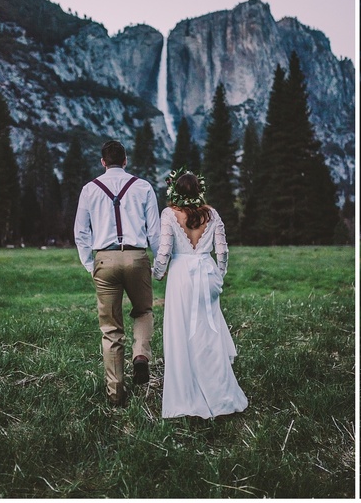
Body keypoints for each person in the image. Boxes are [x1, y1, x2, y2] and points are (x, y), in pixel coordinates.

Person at [152, 167, 248, 419]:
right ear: (199, 191)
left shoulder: (169, 214)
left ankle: (187, 394)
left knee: (181, 332)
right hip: (206, 273)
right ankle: (220, 392)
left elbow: (164, 251)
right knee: (209, 332)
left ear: (174, 192)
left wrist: (157, 273)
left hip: (181, 276)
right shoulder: (212, 214)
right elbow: (223, 250)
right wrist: (219, 273)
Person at [74, 140, 161, 406]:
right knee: (143, 310)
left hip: (104, 259)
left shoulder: (89, 189)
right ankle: (141, 356)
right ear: (125, 160)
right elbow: (155, 231)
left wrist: (90, 264)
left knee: (111, 329)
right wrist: (159, 265)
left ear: (103, 162)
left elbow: (81, 232)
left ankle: (116, 395)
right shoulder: (143, 187)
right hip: (136, 257)